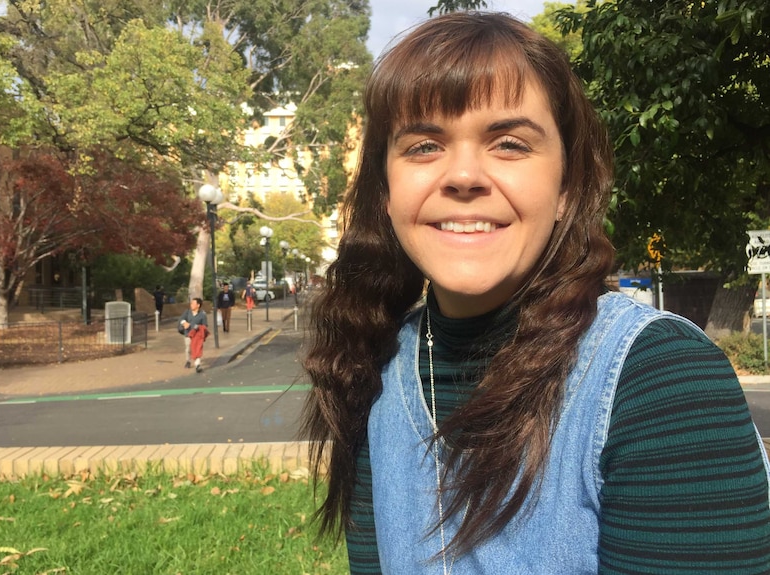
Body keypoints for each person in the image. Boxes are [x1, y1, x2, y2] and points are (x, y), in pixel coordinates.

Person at [301, 12, 770, 575]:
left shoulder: (662, 381)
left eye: (509, 143)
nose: (464, 175)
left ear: (568, 186)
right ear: (386, 191)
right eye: (424, 145)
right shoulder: (373, 366)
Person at [178, 297, 208, 372]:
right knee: (188, 348)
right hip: (188, 333)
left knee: (197, 348)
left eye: (193, 303)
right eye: (191, 303)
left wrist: (198, 327)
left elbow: (205, 326)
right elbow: (181, 319)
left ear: (198, 305)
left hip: (197, 335)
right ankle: (188, 361)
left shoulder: (202, 315)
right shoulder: (187, 312)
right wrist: (184, 323)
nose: (191, 305)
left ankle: (197, 365)